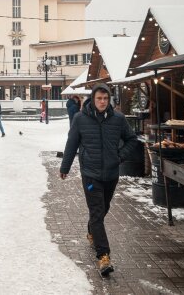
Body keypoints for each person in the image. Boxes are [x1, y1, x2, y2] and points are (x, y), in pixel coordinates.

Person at [59, 83, 137, 276]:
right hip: (91, 174)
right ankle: (104, 256)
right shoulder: (80, 118)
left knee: (103, 210)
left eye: (105, 98)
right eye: (99, 98)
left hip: (111, 174)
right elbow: (72, 144)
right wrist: (65, 167)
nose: (102, 102)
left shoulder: (118, 119)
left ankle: (92, 230)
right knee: (97, 212)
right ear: (92, 99)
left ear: (109, 100)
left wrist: (120, 157)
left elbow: (132, 139)